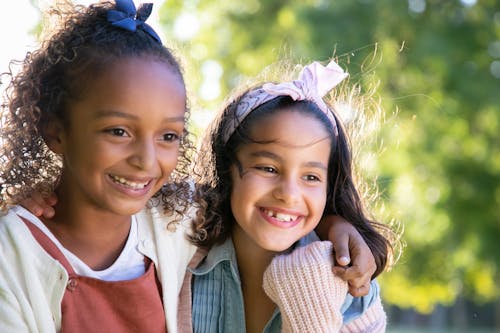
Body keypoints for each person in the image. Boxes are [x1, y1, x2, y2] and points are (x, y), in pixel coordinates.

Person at [0, 0, 378, 332]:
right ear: (55, 131)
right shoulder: (14, 256)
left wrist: (335, 224)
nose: (146, 161)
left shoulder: (173, 219)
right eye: (118, 131)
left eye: (168, 136)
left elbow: (274, 206)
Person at [177, 60, 395, 332]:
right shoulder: (178, 248)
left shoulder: (353, 286)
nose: (289, 194)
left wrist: (309, 296)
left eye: (311, 177)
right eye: (268, 168)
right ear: (226, 169)